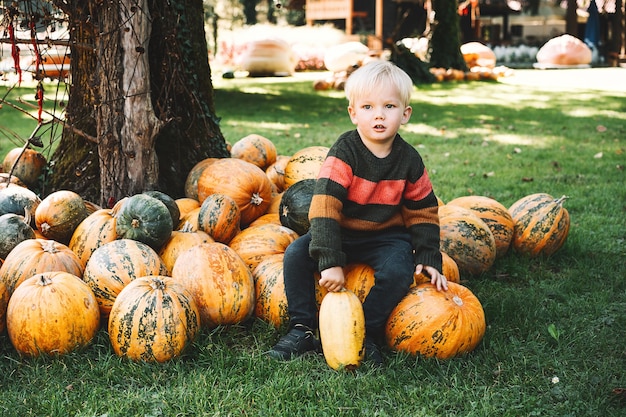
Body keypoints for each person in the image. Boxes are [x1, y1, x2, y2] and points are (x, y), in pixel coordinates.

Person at [267, 60, 448, 366]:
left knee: (398, 272)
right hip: (341, 230)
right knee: (296, 255)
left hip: (386, 236)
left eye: (389, 106)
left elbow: (423, 211)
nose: (378, 114)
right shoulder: (345, 152)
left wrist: (429, 256)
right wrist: (330, 260)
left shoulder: (409, 160)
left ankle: (367, 331)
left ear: (405, 114)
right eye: (367, 107)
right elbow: (324, 207)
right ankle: (302, 327)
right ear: (353, 113)